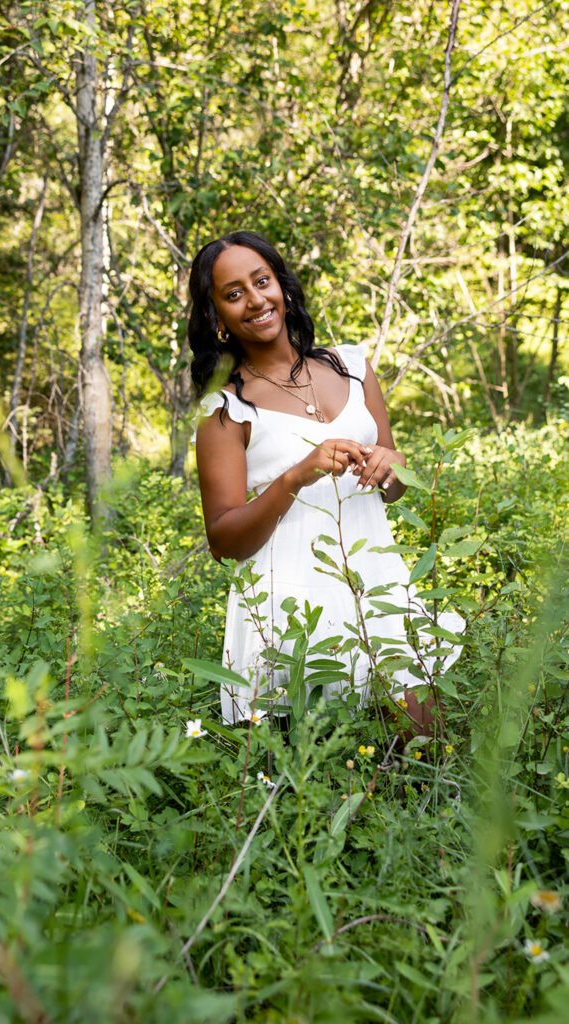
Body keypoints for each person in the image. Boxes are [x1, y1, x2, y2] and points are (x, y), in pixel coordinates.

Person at [189, 231, 464, 731]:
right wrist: (296, 475)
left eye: (262, 281)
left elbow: (394, 486)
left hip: (376, 575)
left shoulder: (353, 367)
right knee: (321, 769)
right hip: (292, 599)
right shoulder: (224, 410)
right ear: (216, 317)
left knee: (422, 739)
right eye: (233, 294)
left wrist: (391, 464)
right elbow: (224, 541)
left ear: (283, 286)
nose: (255, 301)